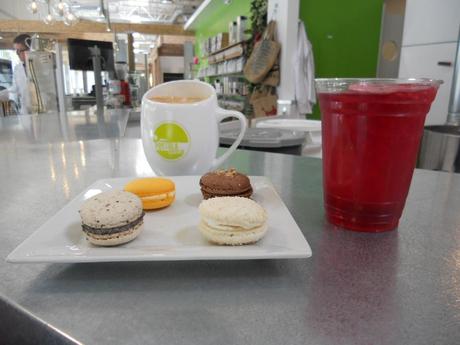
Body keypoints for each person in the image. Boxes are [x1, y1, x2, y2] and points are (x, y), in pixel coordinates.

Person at [0, 34, 31, 114]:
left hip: (44, 110)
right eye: (16, 51)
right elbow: (14, 89)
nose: (17, 54)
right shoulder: (18, 69)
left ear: (29, 49)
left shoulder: (42, 66)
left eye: (19, 50)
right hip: (25, 111)